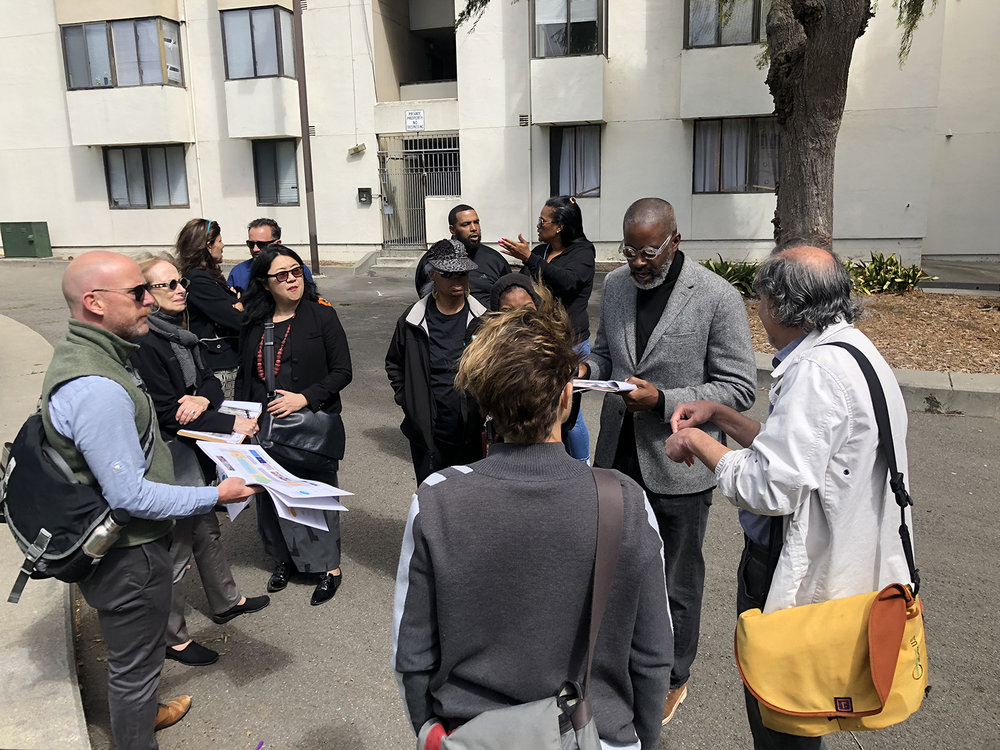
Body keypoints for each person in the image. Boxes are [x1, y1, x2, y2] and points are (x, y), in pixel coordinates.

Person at [664, 245, 916, 750]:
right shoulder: (853, 350)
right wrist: (724, 415)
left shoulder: (816, 374)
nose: (758, 310)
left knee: (785, 716)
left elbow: (768, 487)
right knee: (803, 710)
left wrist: (696, 440)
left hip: (783, 562)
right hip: (838, 551)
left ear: (781, 306)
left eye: (760, 300)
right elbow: (800, 457)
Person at [392, 303, 673, 750]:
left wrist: (428, 731)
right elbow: (653, 653)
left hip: (474, 735)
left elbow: (413, 650)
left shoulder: (438, 500)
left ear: (484, 400)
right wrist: (640, 738)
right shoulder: (626, 500)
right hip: (597, 733)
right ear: (566, 397)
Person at [42, 251, 254, 749]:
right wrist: (216, 494)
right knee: (132, 667)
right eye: (138, 293)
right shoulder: (98, 387)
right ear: (94, 303)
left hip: (126, 548)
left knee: (135, 660)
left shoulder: (91, 354)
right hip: (128, 554)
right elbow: (130, 495)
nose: (148, 303)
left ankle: (143, 714)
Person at [582, 197, 756, 724]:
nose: (637, 263)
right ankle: (620, 659)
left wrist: (662, 400)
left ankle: (674, 674)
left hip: (678, 462)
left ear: (675, 241)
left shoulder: (716, 296)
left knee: (677, 578)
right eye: (629, 250)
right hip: (614, 456)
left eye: (648, 252)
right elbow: (607, 356)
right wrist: (583, 367)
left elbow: (739, 388)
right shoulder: (613, 286)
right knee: (614, 566)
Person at [131, 255, 270, 668]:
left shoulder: (182, 334)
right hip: (170, 460)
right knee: (175, 550)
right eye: (167, 285)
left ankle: (227, 600)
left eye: (179, 282)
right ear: (146, 295)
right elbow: (166, 411)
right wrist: (231, 421)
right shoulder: (144, 342)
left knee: (207, 531)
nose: (180, 290)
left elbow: (208, 380)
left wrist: (204, 397)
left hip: (196, 452)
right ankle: (172, 638)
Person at [236, 244, 353, 605]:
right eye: (281, 275)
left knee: (315, 495)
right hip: (264, 426)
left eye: (295, 271)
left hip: (310, 425)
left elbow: (342, 371)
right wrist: (243, 418)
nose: (291, 280)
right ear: (265, 283)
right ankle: (284, 559)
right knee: (272, 499)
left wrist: (304, 398)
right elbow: (246, 376)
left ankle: (328, 568)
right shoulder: (255, 322)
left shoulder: (322, 316)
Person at [499, 195, 596, 460]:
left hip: (571, 342)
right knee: (543, 409)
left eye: (543, 221)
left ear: (560, 226)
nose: (538, 225)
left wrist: (529, 257)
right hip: (542, 340)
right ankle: (547, 460)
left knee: (570, 413)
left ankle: (581, 465)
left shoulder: (583, 252)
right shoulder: (542, 251)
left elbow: (566, 282)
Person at [387, 239, 487, 485]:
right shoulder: (412, 320)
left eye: (462, 273)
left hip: (470, 431)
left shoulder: (483, 319)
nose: (458, 279)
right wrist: (409, 401)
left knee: (469, 500)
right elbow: (394, 364)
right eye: (449, 273)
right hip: (426, 434)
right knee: (431, 500)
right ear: (432, 274)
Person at [177, 218, 242, 399]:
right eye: (220, 240)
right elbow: (236, 319)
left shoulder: (205, 278)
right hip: (219, 367)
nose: (223, 245)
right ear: (207, 245)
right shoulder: (199, 281)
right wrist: (238, 306)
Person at [414, 204, 511, 305]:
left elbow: (509, 295)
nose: (474, 228)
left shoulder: (495, 260)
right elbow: (423, 293)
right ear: (452, 230)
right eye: (466, 224)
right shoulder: (434, 259)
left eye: (476, 222)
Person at [227, 217, 313, 294]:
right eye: (251, 244)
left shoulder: (297, 271)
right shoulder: (238, 273)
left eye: (261, 244)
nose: (255, 249)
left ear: (278, 244)